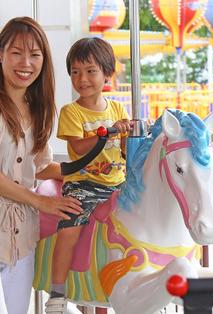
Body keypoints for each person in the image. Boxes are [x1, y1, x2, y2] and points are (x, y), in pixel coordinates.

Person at [0, 16, 83, 314]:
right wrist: (40, 202)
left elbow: (40, 167)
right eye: (16, 52)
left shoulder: (38, 110)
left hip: (21, 241)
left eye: (35, 54)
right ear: (0, 55)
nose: (26, 62)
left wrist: (94, 168)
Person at [46, 37, 132, 313]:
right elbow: (78, 149)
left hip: (116, 185)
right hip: (83, 185)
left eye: (90, 71)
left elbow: (125, 150)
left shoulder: (117, 109)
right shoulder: (71, 111)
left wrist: (134, 137)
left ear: (107, 74)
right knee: (69, 230)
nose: (82, 78)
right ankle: (57, 292)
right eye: (75, 72)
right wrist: (110, 132)